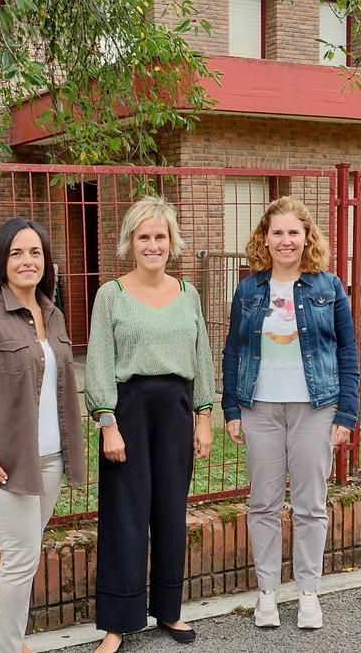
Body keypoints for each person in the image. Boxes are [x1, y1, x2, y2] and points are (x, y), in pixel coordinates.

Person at [0, 217, 88, 653]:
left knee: (22, 558)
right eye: (16, 253)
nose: (27, 261)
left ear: (46, 263)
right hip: (4, 465)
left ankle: (13, 640)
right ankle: (7, 647)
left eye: (35, 253)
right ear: (1, 262)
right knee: (22, 557)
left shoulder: (54, 316)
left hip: (48, 461)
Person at [221, 196, 359, 630]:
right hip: (258, 406)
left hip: (315, 407)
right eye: (276, 232)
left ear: (306, 237)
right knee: (262, 502)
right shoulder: (248, 289)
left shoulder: (328, 286)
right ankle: (266, 593)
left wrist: (346, 413)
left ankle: (308, 593)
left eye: (293, 232)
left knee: (309, 504)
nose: (285, 241)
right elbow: (233, 350)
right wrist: (230, 406)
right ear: (265, 237)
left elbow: (348, 352)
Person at [84, 196, 215, 652]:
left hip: (176, 411)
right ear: (130, 242)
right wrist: (108, 422)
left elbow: (201, 356)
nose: (153, 244)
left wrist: (204, 417)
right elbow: (98, 362)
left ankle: (169, 610)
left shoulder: (188, 294)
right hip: (130, 411)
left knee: (170, 513)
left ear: (172, 242)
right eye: (144, 236)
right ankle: (118, 623)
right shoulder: (110, 296)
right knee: (125, 516)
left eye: (161, 236)